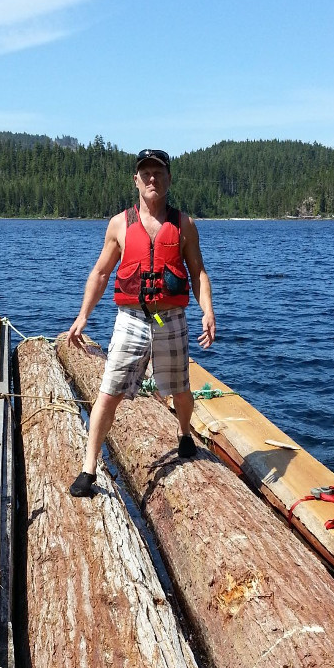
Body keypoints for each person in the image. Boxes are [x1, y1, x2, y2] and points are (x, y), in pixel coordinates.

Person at [67, 148, 217, 497]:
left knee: (180, 389)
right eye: (145, 173)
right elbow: (102, 273)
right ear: (136, 179)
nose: (152, 179)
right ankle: (89, 467)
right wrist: (83, 316)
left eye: (159, 173)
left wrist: (208, 311)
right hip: (131, 319)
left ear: (169, 179)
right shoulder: (120, 224)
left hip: (170, 318)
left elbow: (198, 272)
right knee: (108, 393)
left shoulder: (184, 225)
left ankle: (183, 434)